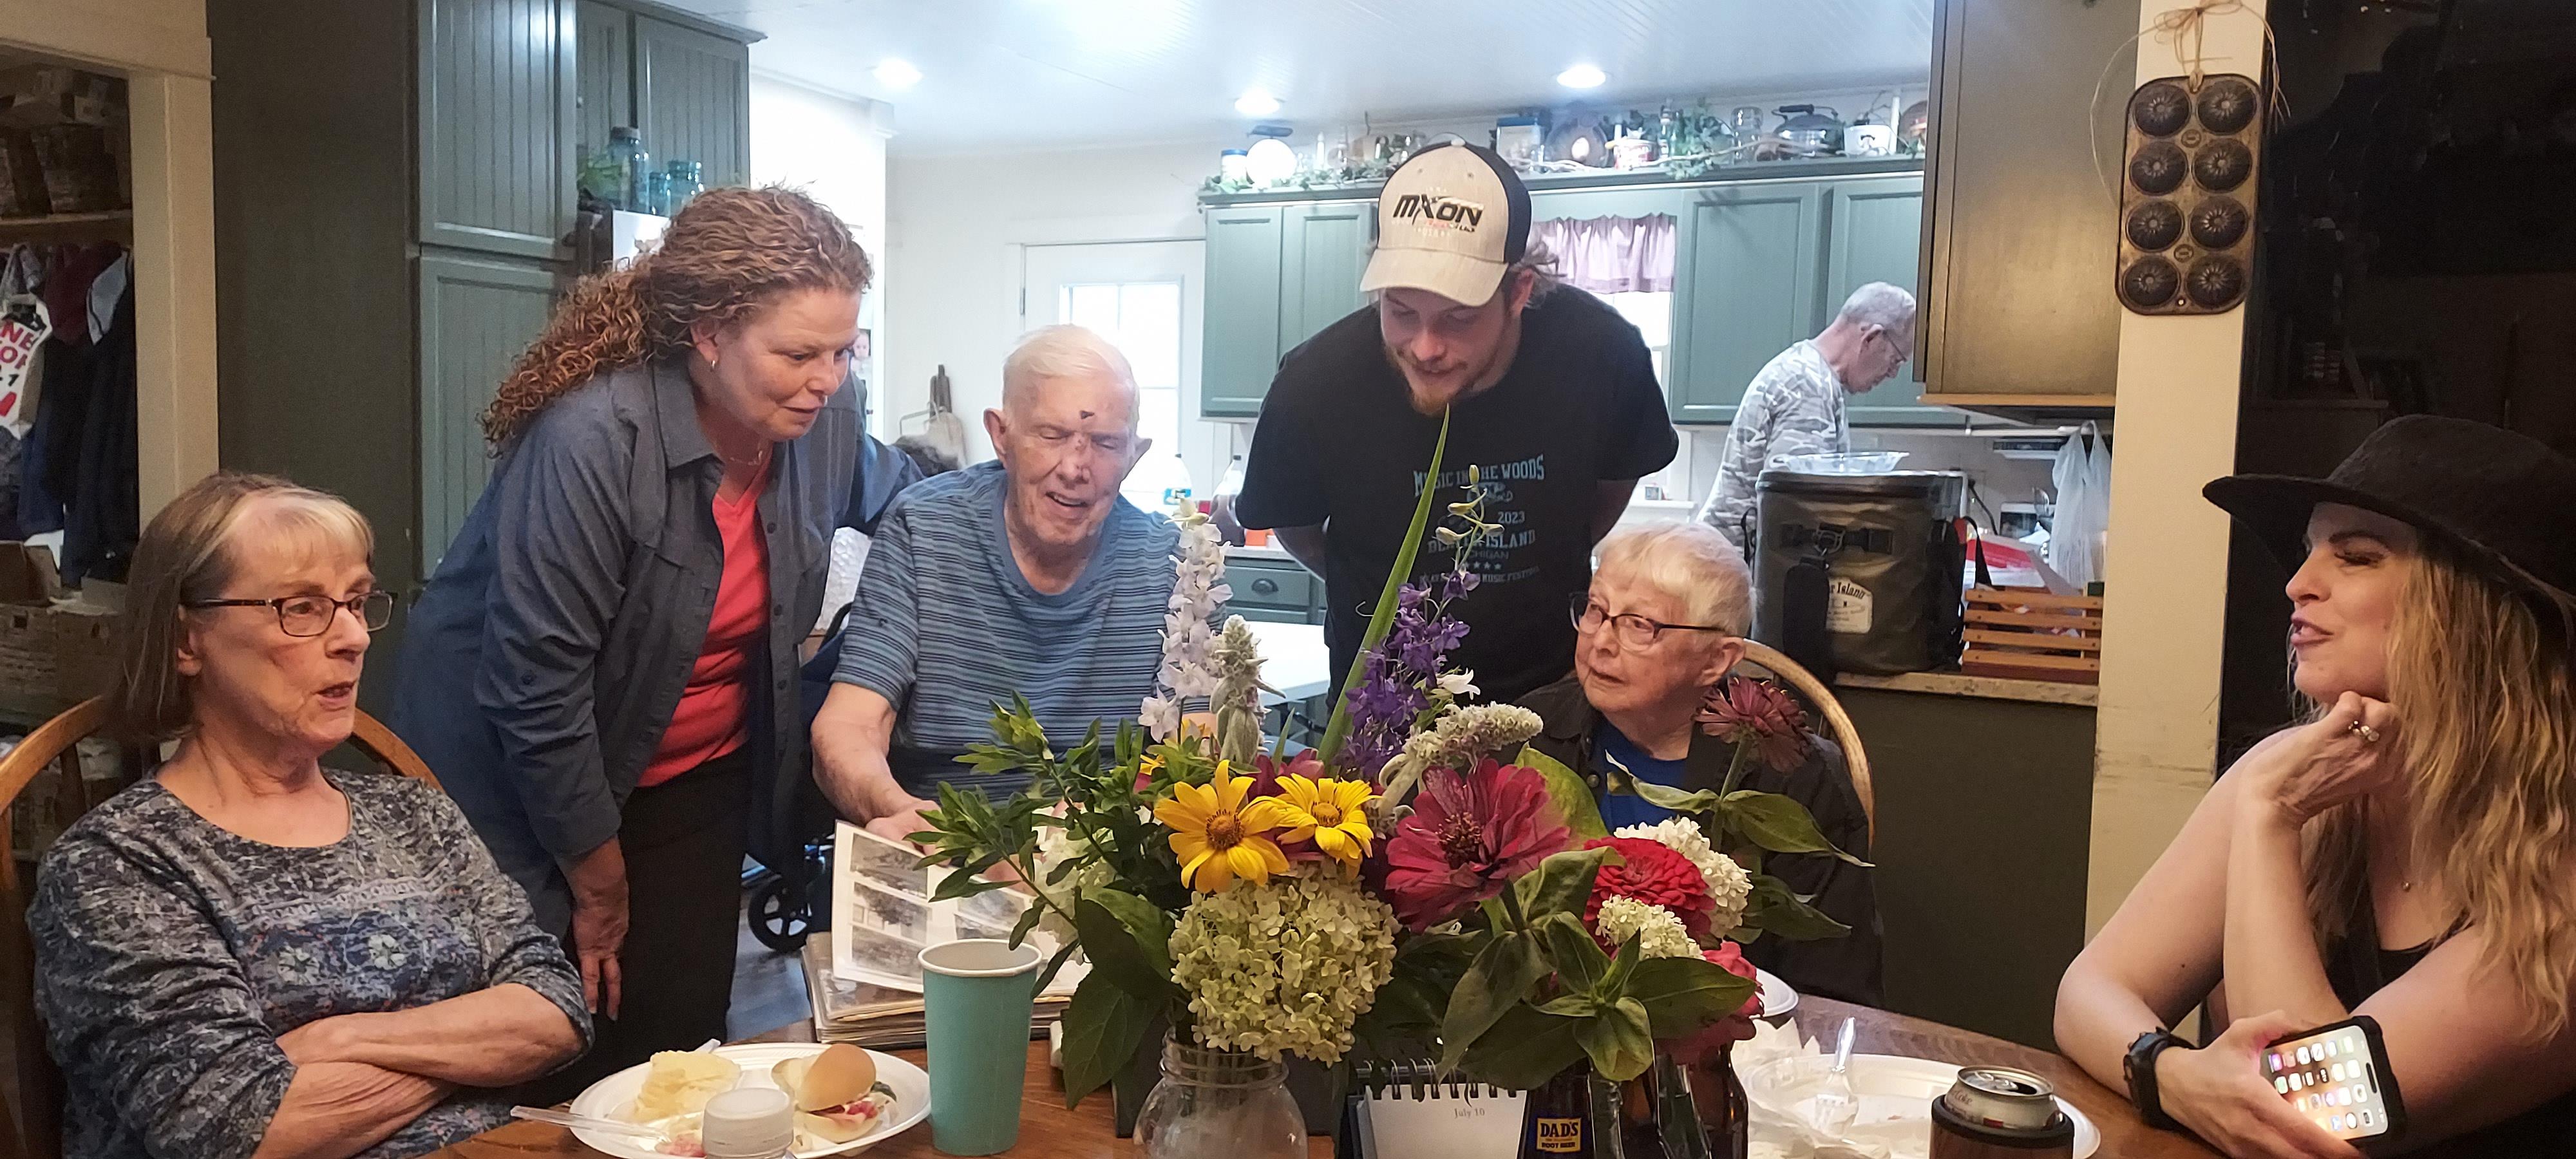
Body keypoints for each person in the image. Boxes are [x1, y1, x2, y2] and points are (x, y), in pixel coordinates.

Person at [390, 187, 873, 1093]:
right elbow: (537, 685)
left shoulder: (827, 421)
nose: (829, 379)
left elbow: (902, 503)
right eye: (798, 354)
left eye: (845, 351)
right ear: (709, 333)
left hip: (691, 772)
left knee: (679, 1053)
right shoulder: (592, 438)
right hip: (518, 782)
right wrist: (597, 878)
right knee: (556, 1042)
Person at [2054, 416, 2576, 1158]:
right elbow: (2088, 991)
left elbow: (2313, 1108)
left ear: (2473, 608)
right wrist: (2170, 1074)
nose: (2297, 584)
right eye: (2308, 551)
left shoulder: (2553, 860)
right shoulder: (2287, 772)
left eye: (2355, 556)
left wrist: (2270, 819)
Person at [31, 472, 589, 1159]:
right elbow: (241, 1126)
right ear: (186, 640)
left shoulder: (412, 812)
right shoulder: (119, 864)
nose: (353, 637)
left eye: (355, 602)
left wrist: (338, 1037)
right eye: (302, 608)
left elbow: (555, 1008)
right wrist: (475, 1053)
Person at [1235, 144, 1678, 706]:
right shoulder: (1313, 387)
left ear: (1518, 292)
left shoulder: (1602, 356)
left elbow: (1614, 483)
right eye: (1400, 311)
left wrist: (1545, 562)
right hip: (1381, 709)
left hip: (1552, 695)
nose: (1425, 348)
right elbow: (1295, 527)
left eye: (1459, 318)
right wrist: (1369, 582)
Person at [813, 325, 1180, 845]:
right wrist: (900, 811)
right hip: (943, 847)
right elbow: (850, 725)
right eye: (1051, 435)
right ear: (1001, 435)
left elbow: (1199, 752)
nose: (1075, 468)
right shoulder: (925, 528)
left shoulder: (1175, 563)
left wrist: (1094, 829)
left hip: (1110, 856)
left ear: (1134, 454)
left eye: (1104, 443)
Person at [1520, 521, 1882, 1004]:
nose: (1601, 641)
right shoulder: (1532, 734)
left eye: (1639, 625)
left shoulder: (1795, 778)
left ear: (1716, 660)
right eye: (1595, 610)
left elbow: (1832, 986)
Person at [1694, 282, 1917, 546]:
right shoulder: (1809, 388)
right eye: (1895, 361)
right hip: (1737, 562)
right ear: (1871, 338)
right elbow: (1798, 515)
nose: (1893, 374)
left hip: (1724, 556)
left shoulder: (1808, 373)